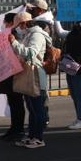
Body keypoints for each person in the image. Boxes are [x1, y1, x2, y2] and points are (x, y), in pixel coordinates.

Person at [11, 11, 52, 148]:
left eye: (18, 25)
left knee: (37, 109)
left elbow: (30, 53)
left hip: (36, 76)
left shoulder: (37, 35)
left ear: (24, 23)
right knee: (32, 109)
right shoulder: (29, 34)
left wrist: (14, 42)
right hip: (30, 75)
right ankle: (32, 136)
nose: (18, 28)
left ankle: (38, 138)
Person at [0, 12, 27, 141]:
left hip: (15, 73)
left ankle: (18, 129)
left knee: (16, 102)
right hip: (10, 72)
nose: (3, 24)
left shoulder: (14, 34)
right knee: (13, 102)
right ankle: (14, 128)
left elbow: (15, 51)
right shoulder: (10, 33)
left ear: (9, 22)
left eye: (5, 22)